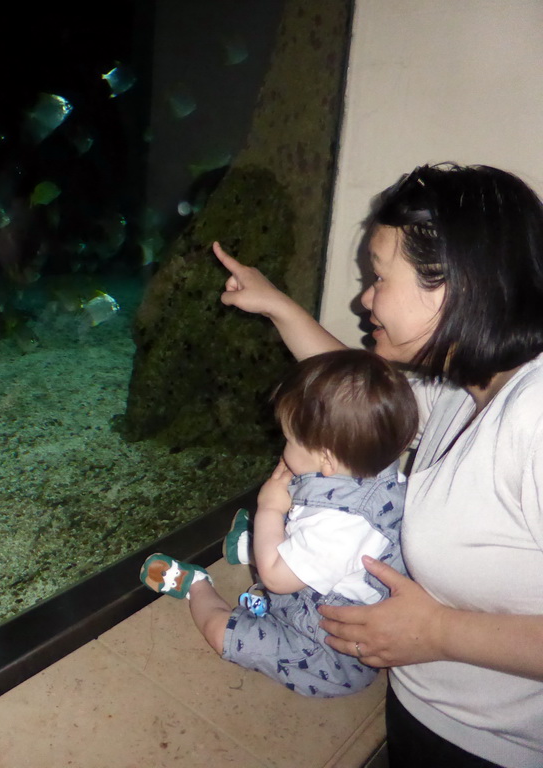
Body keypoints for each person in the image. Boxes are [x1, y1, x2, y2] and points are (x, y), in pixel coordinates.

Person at [212, 163, 543, 767]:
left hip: (493, 749)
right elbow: (356, 400)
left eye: (378, 277)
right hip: (420, 710)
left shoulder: (536, 417)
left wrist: (438, 632)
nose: (364, 299)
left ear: (455, 286)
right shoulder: (463, 385)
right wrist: (277, 306)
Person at [141, 349, 418, 698]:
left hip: (328, 644)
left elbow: (275, 578)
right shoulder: (370, 469)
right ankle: (251, 547)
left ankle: (198, 585)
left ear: (327, 458)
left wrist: (269, 509)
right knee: (290, 524)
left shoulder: (339, 527)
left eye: (289, 439)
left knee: (222, 635)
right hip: (328, 574)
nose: (283, 446)